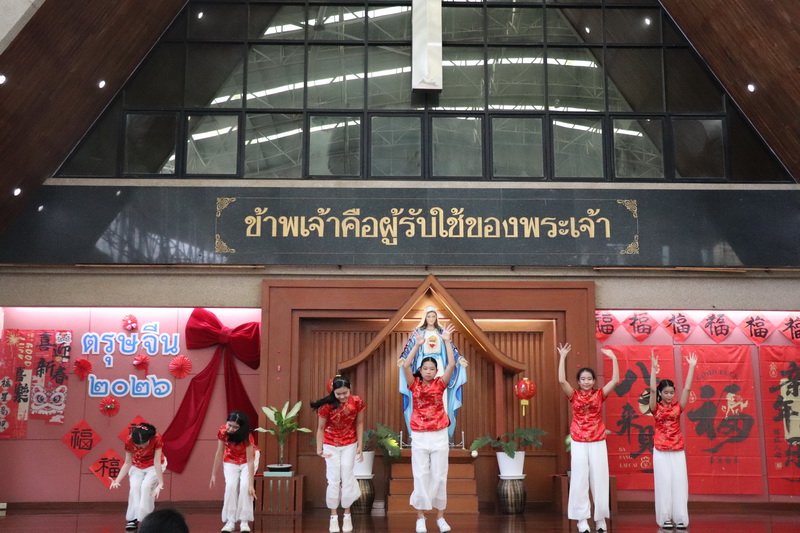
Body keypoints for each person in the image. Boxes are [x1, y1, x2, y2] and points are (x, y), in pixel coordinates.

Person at [399, 323, 459, 533]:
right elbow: (406, 365)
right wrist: (417, 345)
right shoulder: (413, 384)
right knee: (420, 474)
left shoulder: (440, 383)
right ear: (421, 369)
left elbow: (452, 364)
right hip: (419, 433)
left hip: (439, 433)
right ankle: (420, 517)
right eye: (425, 368)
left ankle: (440, 517)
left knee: (440, 474)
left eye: (432, 369)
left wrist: (447, 341)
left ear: (435, 371)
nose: (428, 371)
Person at [558, 343, 619, 533]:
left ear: (593, 381)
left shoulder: (599, 395)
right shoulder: (574, 395)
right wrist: (562, 357)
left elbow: (615, 380)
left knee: (600, 479)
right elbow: (561, 381)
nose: (586, 382)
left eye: (589, 379)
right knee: (580, 479)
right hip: (578, 440)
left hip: (598, 439)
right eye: (583, 379)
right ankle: (582, 520)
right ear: (578, 381)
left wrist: (613, 358)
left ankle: (600, 519)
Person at [399, 306, 468, 440]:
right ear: (425, 317)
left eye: (433, 316)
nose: (431, 319)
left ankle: (444, 427)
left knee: (441, 396)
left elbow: (452, 358)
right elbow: (409, 349)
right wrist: (405, 356)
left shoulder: (441, 332)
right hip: (422, 361)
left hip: (439, 364)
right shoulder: (419, 332)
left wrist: (459, 357)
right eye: (429, 316)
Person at [310, 375, 365, 533]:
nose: (342, 396)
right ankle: (333, 516)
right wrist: (319, 448)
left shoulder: (357, 402)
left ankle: (347, 514)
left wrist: (360, 445)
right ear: (333, 392)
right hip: (330, 444)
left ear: (350, 389)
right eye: (338, 394)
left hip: (350, 443)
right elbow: (320, 428)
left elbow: (359, 423)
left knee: (347, 476)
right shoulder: (327, 406)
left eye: (345, 393)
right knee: (333, 479)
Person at [649, 351, 697, 530]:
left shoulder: (678, 407)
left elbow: (687, 389)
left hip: (677, 449)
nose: (669, 395)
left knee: (679, 483)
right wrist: (653, 369)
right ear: (660, 393)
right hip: (661, 449)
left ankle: (681, 517)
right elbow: (651, 389)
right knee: (664, 483)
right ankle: (665, 518)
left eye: (671, 392)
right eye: (666, 393)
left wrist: (691, 367)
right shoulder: (655, 408)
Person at [209, 410, 260, 533]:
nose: (231, 429)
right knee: (231, 486)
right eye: (229, 425)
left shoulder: (247, 436)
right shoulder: (222, 432)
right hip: (230, 459)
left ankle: (244, 521)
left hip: (248, 460)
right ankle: (230, 521)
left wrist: (251, 484)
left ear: (241, 428)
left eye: (235, 427)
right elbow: (219, 452)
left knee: (245, 487)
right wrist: (213, 474)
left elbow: (250, 461)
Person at [110, 422, 167, 531]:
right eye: (139, 445)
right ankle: (133, 519)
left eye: (144, 444)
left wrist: (160, 483)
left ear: (149, 438)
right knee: (135, 487)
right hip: (137, 465)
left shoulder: (157, 438)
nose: (142, 447)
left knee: (146, 486)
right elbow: (127, 462)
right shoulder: (129, 441)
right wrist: (117, 480)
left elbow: (157, 462)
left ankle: (146, 519)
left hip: (154, 466)